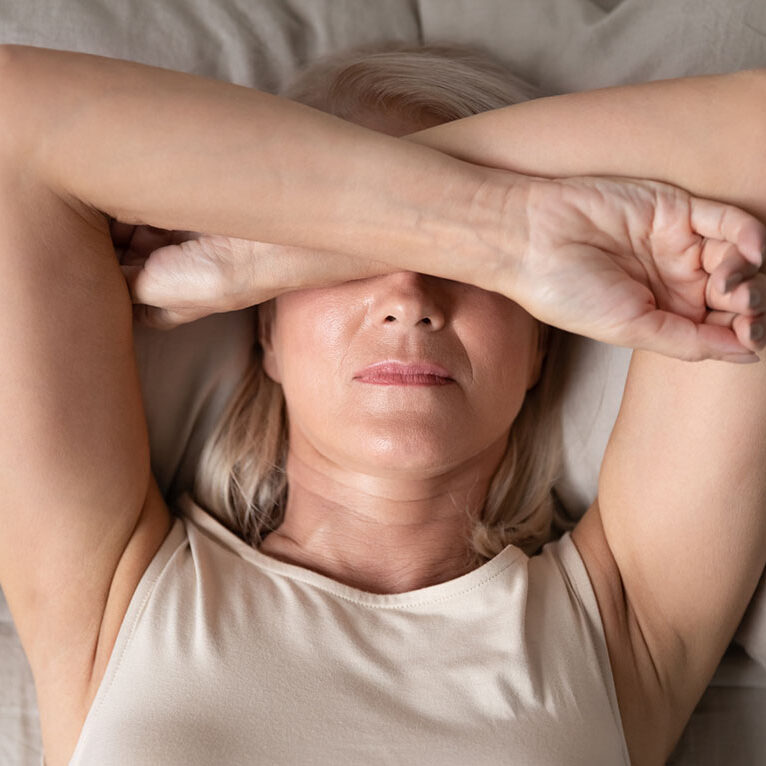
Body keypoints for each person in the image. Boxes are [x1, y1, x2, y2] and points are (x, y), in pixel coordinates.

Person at [0, 40, 764, 766]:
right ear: (266, 325)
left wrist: (274, 245)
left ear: (539, 345)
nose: (409, 299)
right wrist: (502, 228)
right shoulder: (112, 599)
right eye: (351, 260)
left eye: (471, 269)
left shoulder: (623, 624)